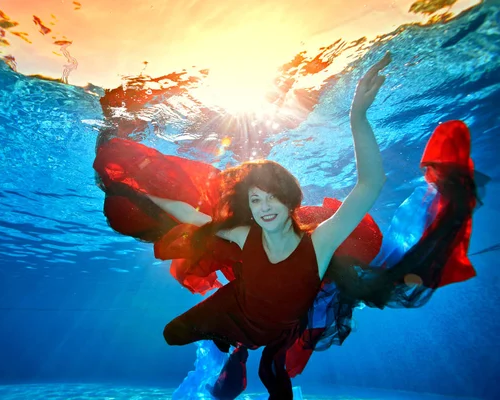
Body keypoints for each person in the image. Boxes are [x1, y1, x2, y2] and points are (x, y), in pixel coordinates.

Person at [93, 52, 478, 399]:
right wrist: (143, 197)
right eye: (256, 201)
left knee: (274, 369)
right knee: (173, 333)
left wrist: (357, 116)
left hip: (280, 321)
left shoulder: (321, 242)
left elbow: (368, 185)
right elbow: (192, 216)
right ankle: (232, 341)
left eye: (272, 198)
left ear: (291, 199)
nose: (264, 208)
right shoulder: (245, 235)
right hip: (241, 309)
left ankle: (242, 351)